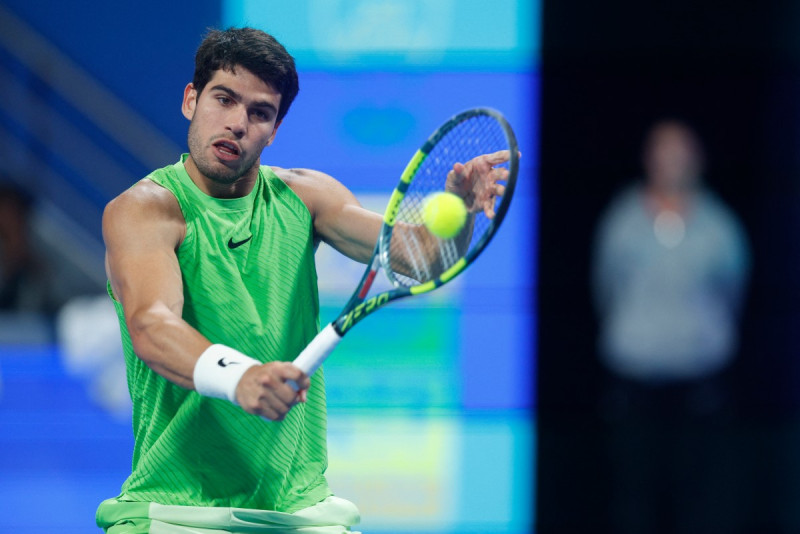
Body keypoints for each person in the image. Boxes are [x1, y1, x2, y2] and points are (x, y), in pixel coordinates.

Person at [96, 27, 506, 534]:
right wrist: (241, 377)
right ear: (191, 100)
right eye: (224, 99)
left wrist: (463, 212)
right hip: (176, 510)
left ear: (275, 129)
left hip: (298, 510)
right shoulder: (144, 210)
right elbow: (151, 325)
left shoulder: (308, 197)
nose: (237, 124)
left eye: (259, 112)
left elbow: (420, 257)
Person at [592, 119, 750, 533]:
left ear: (698, 159)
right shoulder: (622, 219)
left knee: (700, 498)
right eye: (663, 150)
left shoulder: (720, 226)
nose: (672, 160)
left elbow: (734, 290)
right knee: (633, 499)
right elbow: (604, 285)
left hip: (699, 387)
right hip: (634, 383)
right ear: (649, 159)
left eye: (681, 150)